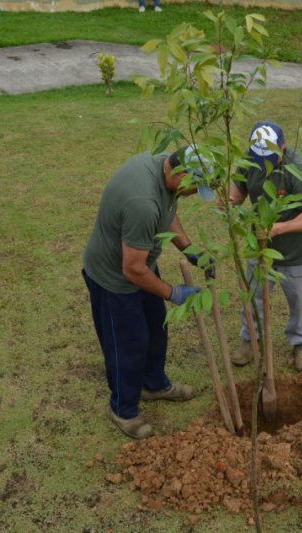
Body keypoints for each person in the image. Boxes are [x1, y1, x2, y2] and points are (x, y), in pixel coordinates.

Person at [82, 146, 215, 439]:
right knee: (128, 345)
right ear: (180, 173)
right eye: (195, 187)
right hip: (114, 279)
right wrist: (172, 292)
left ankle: (153, 385)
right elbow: (132, 269)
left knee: (156, 327)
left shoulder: (163, 165)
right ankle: (123, 409)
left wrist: (190, 250)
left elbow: (168, 214)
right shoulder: (142, 201)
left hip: (140, 266)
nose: (194, 194)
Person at [229, 121, 302, 371]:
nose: (263, 165)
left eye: (269, 158)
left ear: (283, 146)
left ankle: (301, 342)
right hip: (258, 247)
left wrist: (278, 229)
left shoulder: (298, 167)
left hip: (295, 250)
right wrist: (229, 201)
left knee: (300, 300)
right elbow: (237, 194)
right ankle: (251, 339)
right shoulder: (250, 161)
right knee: (254, 295)